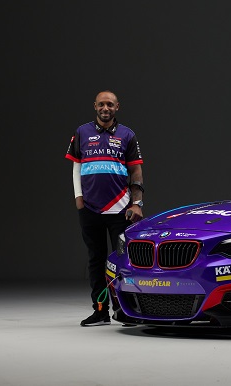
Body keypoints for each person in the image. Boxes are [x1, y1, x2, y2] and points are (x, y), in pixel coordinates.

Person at [65, 90, 144, 327]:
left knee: (123, 262)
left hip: (120, 209)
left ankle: (126, 311)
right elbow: (76, 166)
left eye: (110, 104)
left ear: (117, 107)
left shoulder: (127, 135)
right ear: (95, 106)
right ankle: (100, 311)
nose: (105, 108)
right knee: (95, 261)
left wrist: (137, 203)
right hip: (90, 209)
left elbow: (136, 171)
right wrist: (79, 197)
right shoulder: (82, 132)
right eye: (101, 104)